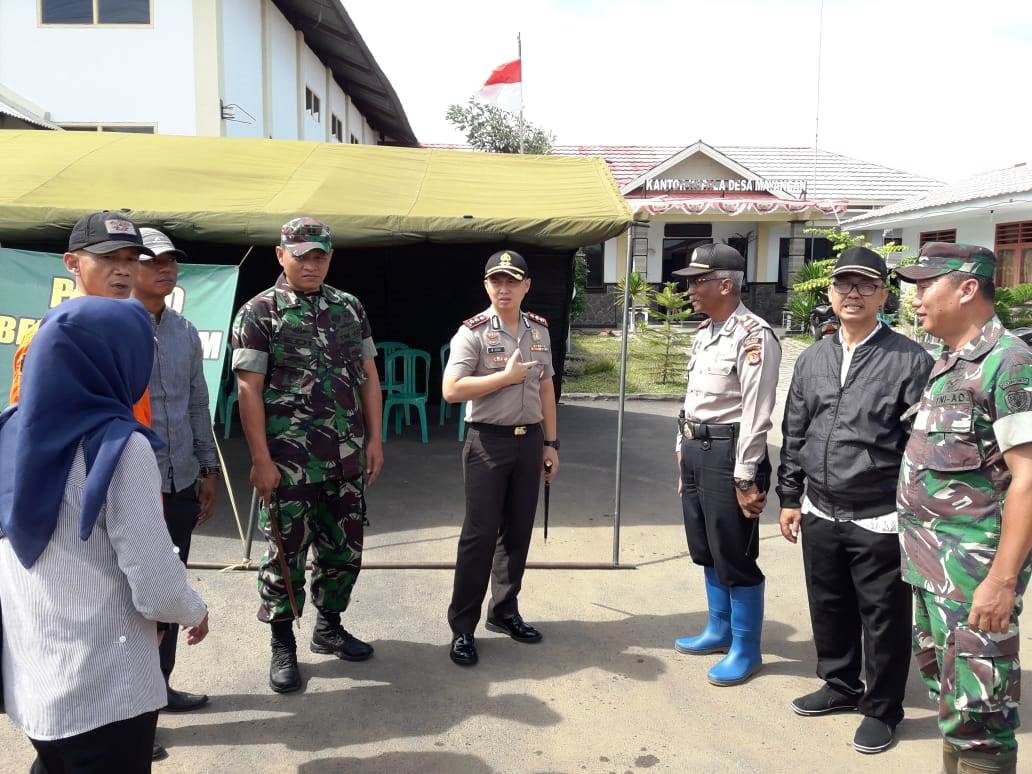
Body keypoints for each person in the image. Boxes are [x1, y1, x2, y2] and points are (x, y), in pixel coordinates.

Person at [0, 296, 209, 774]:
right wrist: (195, 610)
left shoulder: (10, 432)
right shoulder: (120, 447)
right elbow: (155, 587)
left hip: (33, 684)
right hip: (105, 692)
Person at [776, 247, 933, 754]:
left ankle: (883, 708)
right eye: (844, 284)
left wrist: (912, 515)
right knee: (829, 605)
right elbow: (795, 429)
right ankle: (841, 685)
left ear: (884, 295)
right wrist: (790, 495)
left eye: (866, 285)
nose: (853, 294)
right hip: (820, 508)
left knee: (883, 618)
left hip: (879, 515)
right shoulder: (814, 357)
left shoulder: (910, 359)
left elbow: (921, 447)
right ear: (830, 292)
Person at [895, 243, 1032, 774]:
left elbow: (1029, 478)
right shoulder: (951, 363)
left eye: (927, 285)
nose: (917, 298)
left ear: (968, 288)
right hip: (933, 570)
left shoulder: (1010, 363)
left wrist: (1001, 581)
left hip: (975, 579)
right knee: (953, 702)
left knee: (980, 717)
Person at [232, 217, 383, 694]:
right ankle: (282, 644)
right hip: (288, 464)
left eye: (319, 256)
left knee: (344, 553)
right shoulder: (259, 313)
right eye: (301, 256)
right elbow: (248, 389)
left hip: (345, 458)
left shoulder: (349, 307)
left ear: (330, 258)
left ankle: (328, 627)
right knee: (284, 556)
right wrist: (260, 460)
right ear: (281, 255)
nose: (311, 264)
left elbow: (368, 375)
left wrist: (375, 439)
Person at [442, 249, 559, 667]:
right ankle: (462, 628)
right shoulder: (471, 333)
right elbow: (452, 390)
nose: (504, 289)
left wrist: (551, 444)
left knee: (517, 531)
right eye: (496, 281)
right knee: (478, 536)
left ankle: (505, 611)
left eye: (512, 281)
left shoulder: (540, 331)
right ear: (486, 286)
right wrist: (504, 378)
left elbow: (546, 388)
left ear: (527, 285)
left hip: (530, 443)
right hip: (487, 442)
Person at [671, 243, 780, 686]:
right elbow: (694, 398)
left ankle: (745, 647)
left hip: (731, 453)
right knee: (705, 546)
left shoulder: (754, 336)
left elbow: (757, 412)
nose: (690, 289)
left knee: (734, 552)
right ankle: (718, 629)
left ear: (725, 283)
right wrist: (681, 450)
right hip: (698, 449)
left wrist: (745, 473)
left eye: (698, 281)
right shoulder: (706, 332)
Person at [133, 228, 220, 713]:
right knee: (128, 601)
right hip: (129, 486)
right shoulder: (112, 328)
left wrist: (207, 468)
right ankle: (129, 714)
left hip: (180, 478)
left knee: (169, 589)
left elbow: (196, 404)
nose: (164, 268)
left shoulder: (184, 330)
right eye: (152, 260)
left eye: (171, 261)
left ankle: (159, 691)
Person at [9, 210, 155, 427]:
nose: (123, 270)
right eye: (109, 257)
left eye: (131, 259)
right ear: (72, 263)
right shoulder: (53, 334)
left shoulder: (130, 328)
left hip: (133, 451)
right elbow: (30, 425)